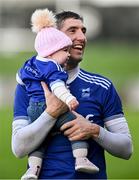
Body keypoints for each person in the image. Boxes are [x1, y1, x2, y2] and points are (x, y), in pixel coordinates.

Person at [12, 10, 133, 179]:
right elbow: (18, 148)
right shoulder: (28, 86)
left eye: (83, 31)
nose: (82, 38)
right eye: (72, 30)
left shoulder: (101, 86)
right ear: (54, 38)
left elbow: (126, 149)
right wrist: (51, 114)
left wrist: (94, 130)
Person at [17, 8, 98, 180]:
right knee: (76, 126)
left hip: (34, 108)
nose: (67, 54)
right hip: (51, 107)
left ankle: (32, 169)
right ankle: (82, 158)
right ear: (53, 49)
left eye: (83, 31)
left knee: (39, 142)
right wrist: (68, 99)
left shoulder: (29, 63)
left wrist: (96, 130)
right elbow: (58, 87)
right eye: (64, 50)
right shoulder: (53, 67)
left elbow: (20, 77)